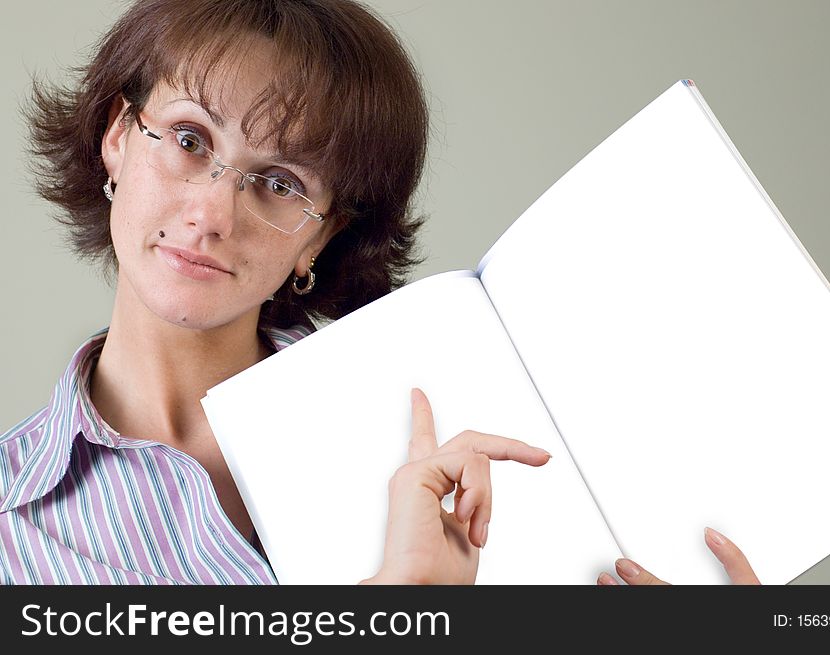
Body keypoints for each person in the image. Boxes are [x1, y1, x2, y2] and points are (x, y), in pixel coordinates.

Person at [1, 0, 756, 585]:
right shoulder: (12, 519)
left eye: (278, 183)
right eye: (191, 139)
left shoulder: (466, 428)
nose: (211, 213)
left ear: (322, 236)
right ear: (116, 138)